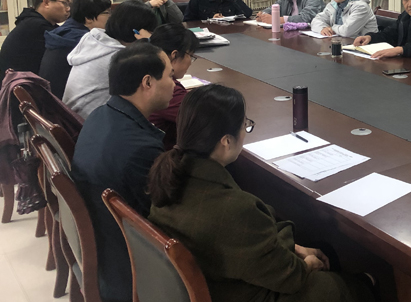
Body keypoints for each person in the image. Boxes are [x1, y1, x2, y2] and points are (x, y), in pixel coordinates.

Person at [147, 84, 374, 302]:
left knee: (324, 254)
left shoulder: (168, 180)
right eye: (244, 125)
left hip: (211, 284)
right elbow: (291, 277)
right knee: (344, 285)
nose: (245, 132)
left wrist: (293, 248)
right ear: (226, 141)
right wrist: (308, 264)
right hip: (239, 292)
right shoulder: (236, 209)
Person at [72, 42, 174, 302]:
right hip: (128, 265)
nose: (174, 84)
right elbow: (166, 216)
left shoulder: (99, 115)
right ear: (147, 83)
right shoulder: (140, 149)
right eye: (170, 76)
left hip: (102, 243)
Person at [63, 0, 157, 119]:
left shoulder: (95, 40)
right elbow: (156, 80)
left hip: (74, 117)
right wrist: (148, 43)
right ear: (137, 31)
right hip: (90, 122)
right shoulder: (119, 57)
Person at [40, 0, 112, 99]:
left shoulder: (64, 31)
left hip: (51, 100)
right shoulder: (85, 40)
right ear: (88, 18)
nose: (111, 17)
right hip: (65, 104)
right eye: (107, 13)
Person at [0, 0, 72, 74]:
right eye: (65, 3)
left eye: (70, 4)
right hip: (21, 82)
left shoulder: (34, 21)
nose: (68, 9)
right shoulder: (36, 26)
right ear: (46, 3)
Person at [148, 23, 199, 149]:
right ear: (174, 55)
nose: (191, 62)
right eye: (191, 56)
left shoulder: (145, 72)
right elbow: (203, 121)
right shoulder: (167, 88)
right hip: (163, 155)